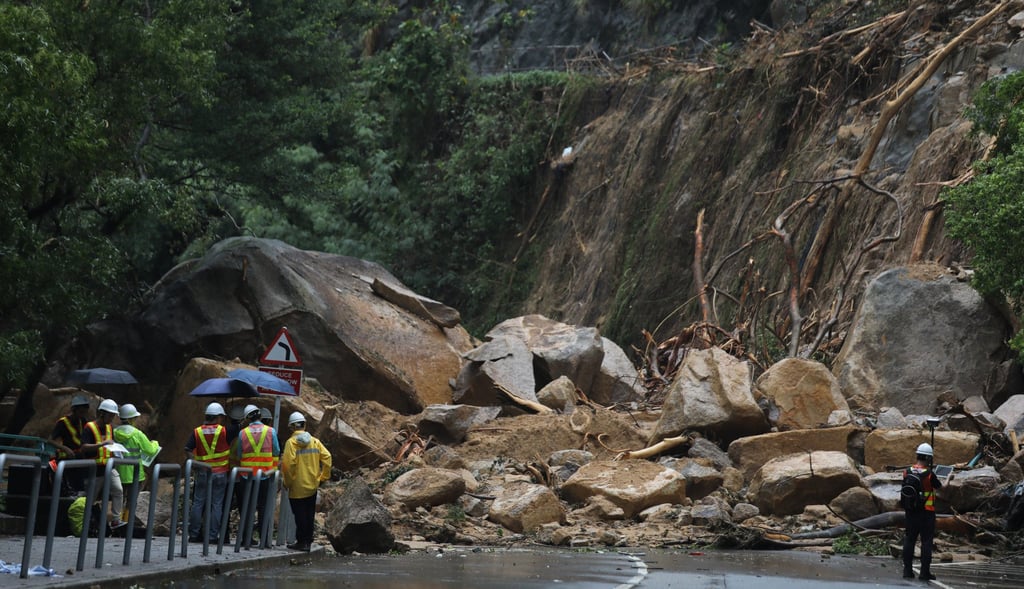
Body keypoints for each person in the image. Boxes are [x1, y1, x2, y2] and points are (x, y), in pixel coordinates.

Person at [280, 411, 331, 552]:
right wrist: (323, 477)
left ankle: (302, 542)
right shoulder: (315, 442)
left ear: (291, 427)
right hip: (312, 485)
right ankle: (308, 540)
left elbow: (288, 465)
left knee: (300, 515)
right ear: (304, 425)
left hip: (297, 486)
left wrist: (287, 482)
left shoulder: (291, 443)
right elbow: (327, 457)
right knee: (309, 514)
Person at [185, 402, 231, 543]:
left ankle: (193, 534)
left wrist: (196, 464)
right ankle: (212, 536)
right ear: (217, 417)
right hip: (220, 473)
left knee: (198, 503)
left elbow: (187, 449)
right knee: (216, 504)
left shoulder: (197, 431)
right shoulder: (224, 431)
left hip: (203, 472)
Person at [235, 404, 280, 546]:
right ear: (260, 415)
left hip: (246, 476)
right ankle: (264, 539)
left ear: (247, 418)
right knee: (264, 507)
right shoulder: (270, 431)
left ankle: (246, 538)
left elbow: (239, 454)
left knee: (247, 508)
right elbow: (277, 451)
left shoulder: (242, 433)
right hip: (265, 475)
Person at [902, 442, 947, 581]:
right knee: (926, 542)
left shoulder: (907, 471)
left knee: (909, 540)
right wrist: (949, 479)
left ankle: (907, 571)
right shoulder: (929, 475)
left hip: (910, 511)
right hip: (926, 512)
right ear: (929, 458)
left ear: (917, 455)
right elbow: (942, 488)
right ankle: (924, 573)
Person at [78, 398, 125, 529]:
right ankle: (86, 523)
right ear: (102, 413)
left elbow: (111, 444)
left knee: (118, 490)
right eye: (110, 415)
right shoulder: (89, 427)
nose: (112, 418)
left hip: (109, 466)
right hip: (95, 469)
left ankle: (116, 520)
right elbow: (84, 447)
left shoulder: (110, 427)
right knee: (91, 497)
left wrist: (117, 450)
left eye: (113, 415)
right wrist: (101, 444)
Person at [113, 403, 161, 491]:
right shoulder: (137, 434)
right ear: (131, 419)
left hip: (118, 473)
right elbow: (150, 450)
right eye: (134, 418)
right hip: (135, 474)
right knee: (131, 502)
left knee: (118, 499)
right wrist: (155, 443)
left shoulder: (114, 432)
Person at [49, 394, 91, 494]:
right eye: (81, 412)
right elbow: (50, 440)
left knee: (80, 486)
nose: (82, 414)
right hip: (66, 458)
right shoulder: (62, 422)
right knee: (68, 486)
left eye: (85, 412)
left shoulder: (83, 421)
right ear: (74, 410)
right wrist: (64, 448)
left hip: (79, 458)